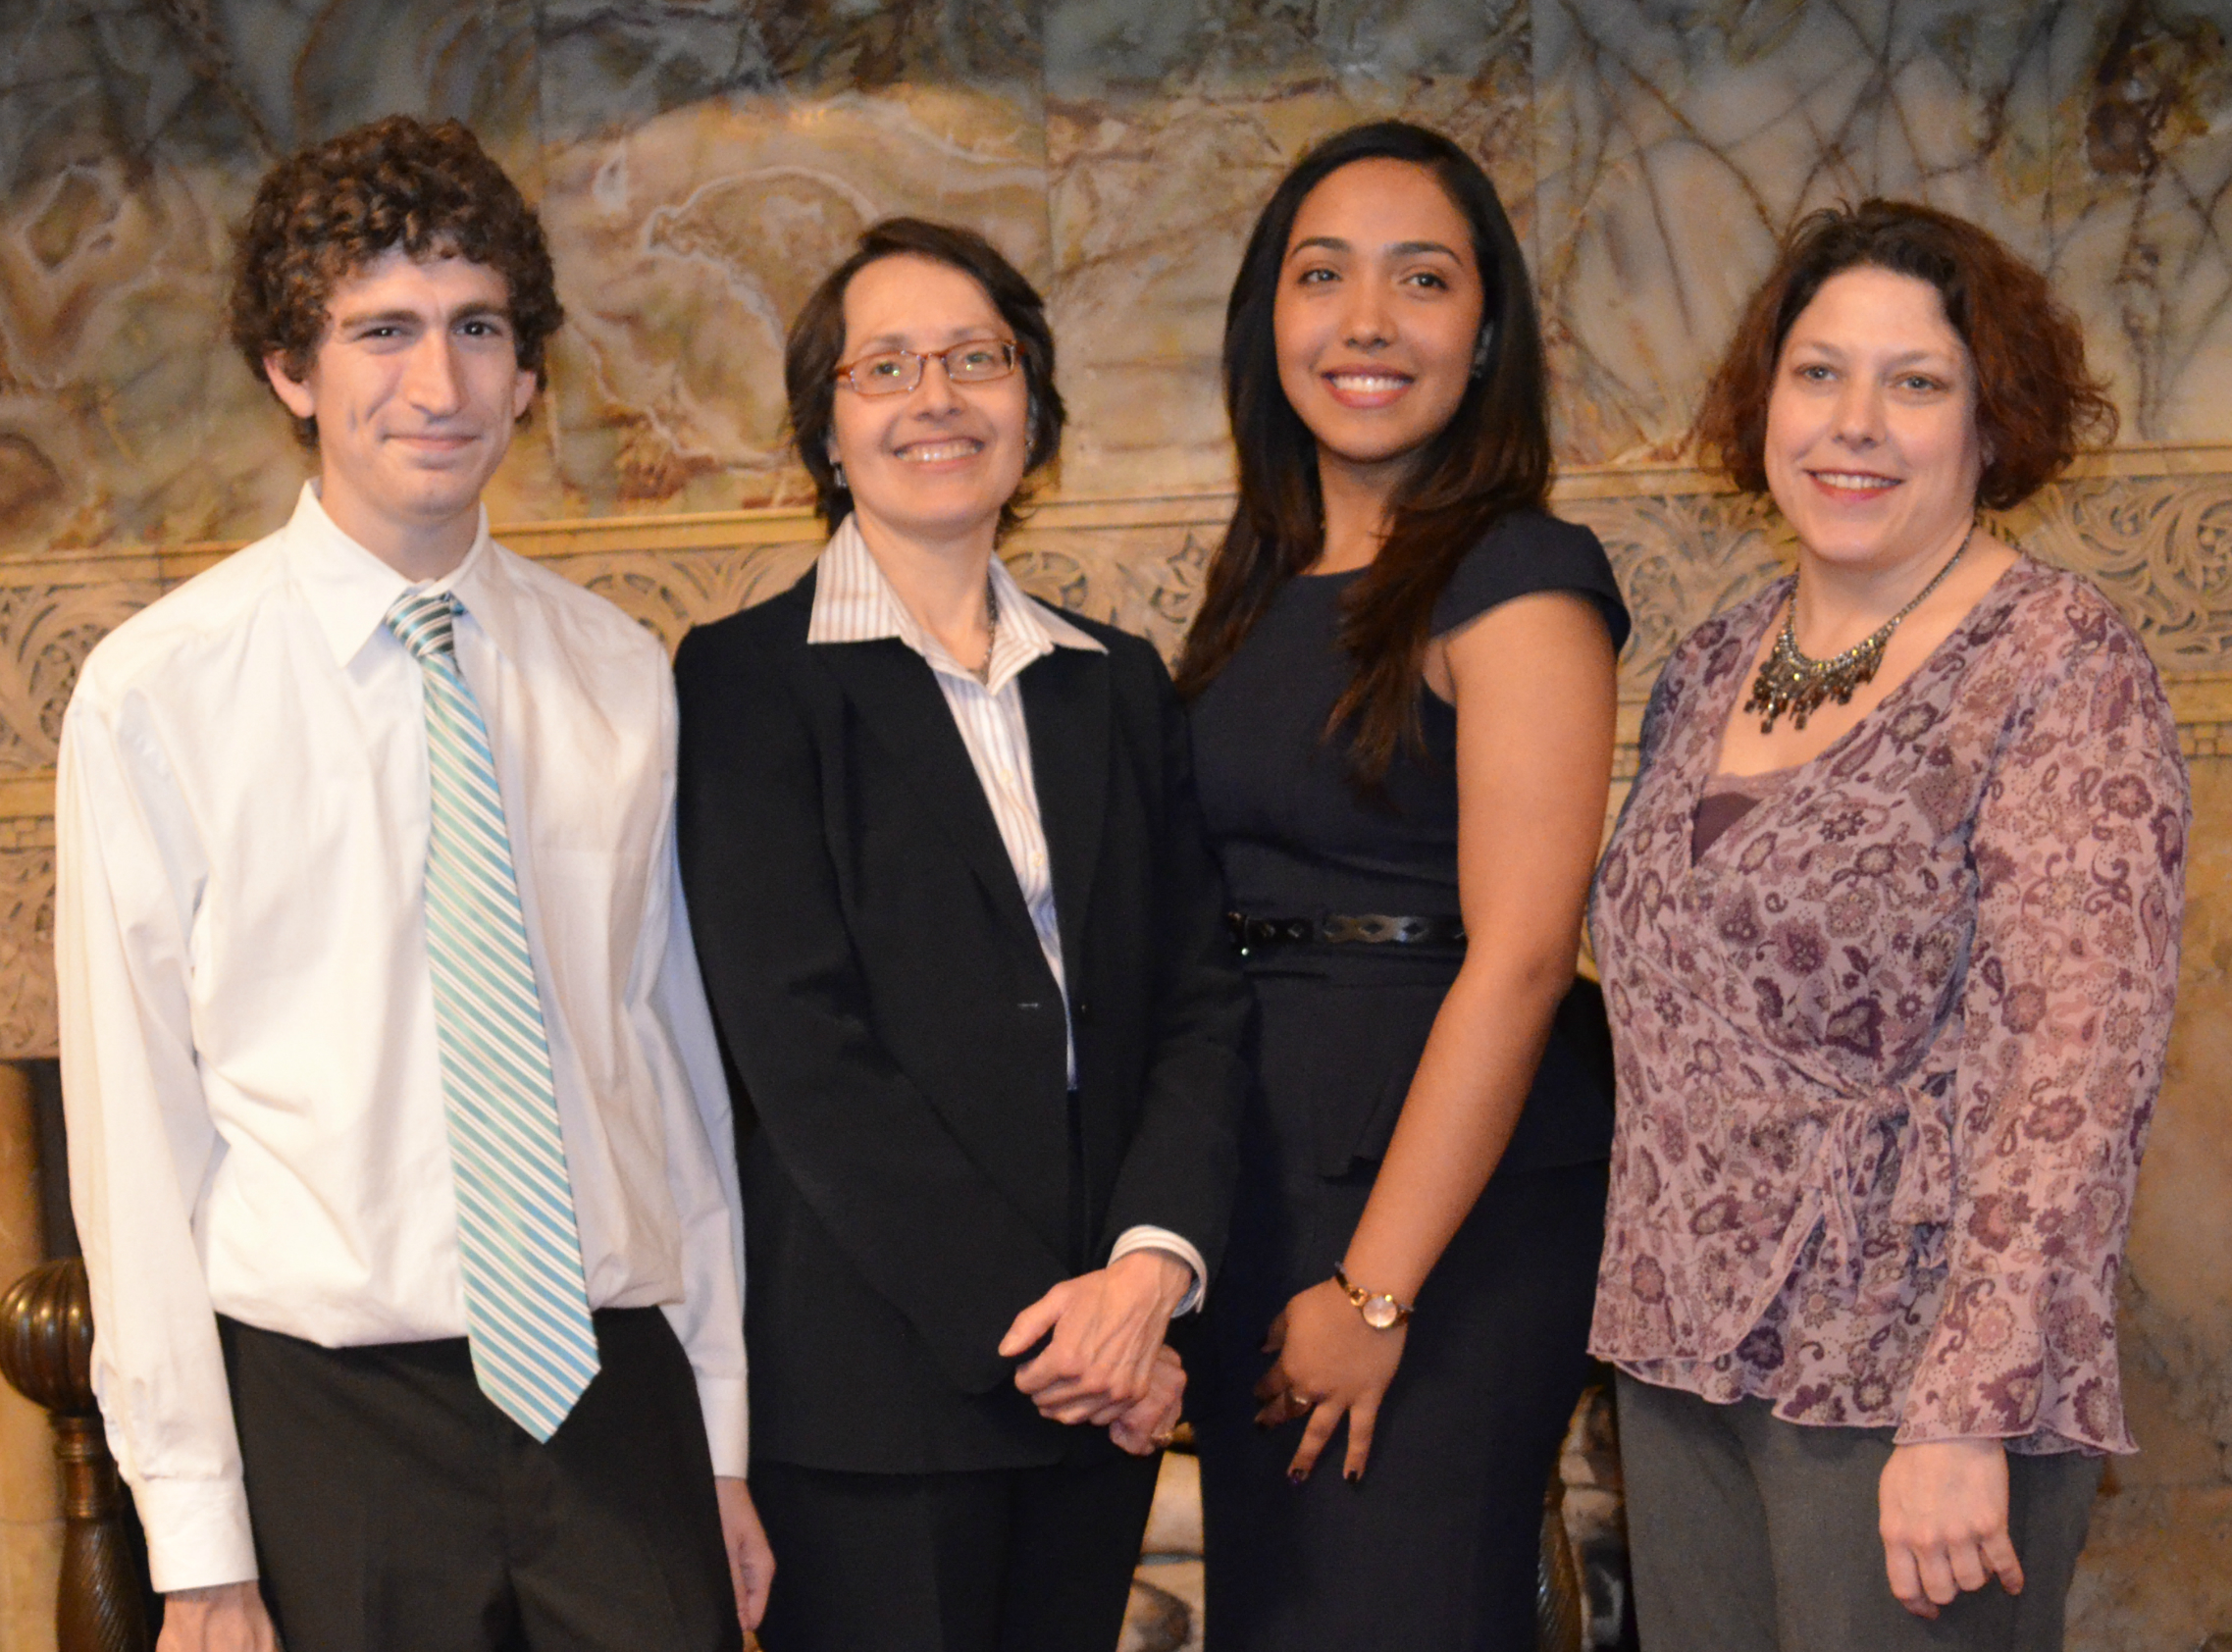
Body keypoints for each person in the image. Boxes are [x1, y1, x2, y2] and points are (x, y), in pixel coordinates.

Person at [56, 116, 772, 1652]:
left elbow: (667, 1072)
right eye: (381, 332)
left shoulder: (619, 674)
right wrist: (200, 1549)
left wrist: (718, 1435)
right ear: (289, 370)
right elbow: (137, 1140)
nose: (436, 387)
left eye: (475, 330)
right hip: (333, 1415)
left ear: (528, 370)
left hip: (614, 1391)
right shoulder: (157, 693)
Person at [1590, 198, 2189, 1652]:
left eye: (1915, 383)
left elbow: (2075, 1075)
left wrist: (1966, 1408)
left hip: (1908, 1380)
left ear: (1992, 423)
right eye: (1817, 372)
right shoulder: (1716, 656)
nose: (1854, 423)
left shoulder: (2059, 664)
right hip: (1681, 1360)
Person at [672, 217, 1250, 1652]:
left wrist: (1147, 1277)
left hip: (1100, 1369)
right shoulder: (744, 685)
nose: (936, 398)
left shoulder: (1112, 681)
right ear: (826, 427)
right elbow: (803, 1055)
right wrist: (1052, 1337)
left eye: (976, 359)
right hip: (880, 1392)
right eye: (885, 369)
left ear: (1033, 410)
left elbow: (1197, 999)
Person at [1176, 121, 1630, 1650]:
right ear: (1270, 319)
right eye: (1323, 276)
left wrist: (1375, 1293)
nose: (1366, 321)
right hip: (1266, 1184)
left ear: (1484, 331)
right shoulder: (1262, 582)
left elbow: (1518, 960)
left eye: (1420, 280)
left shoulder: (1520, 576)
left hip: (1442, 1222)